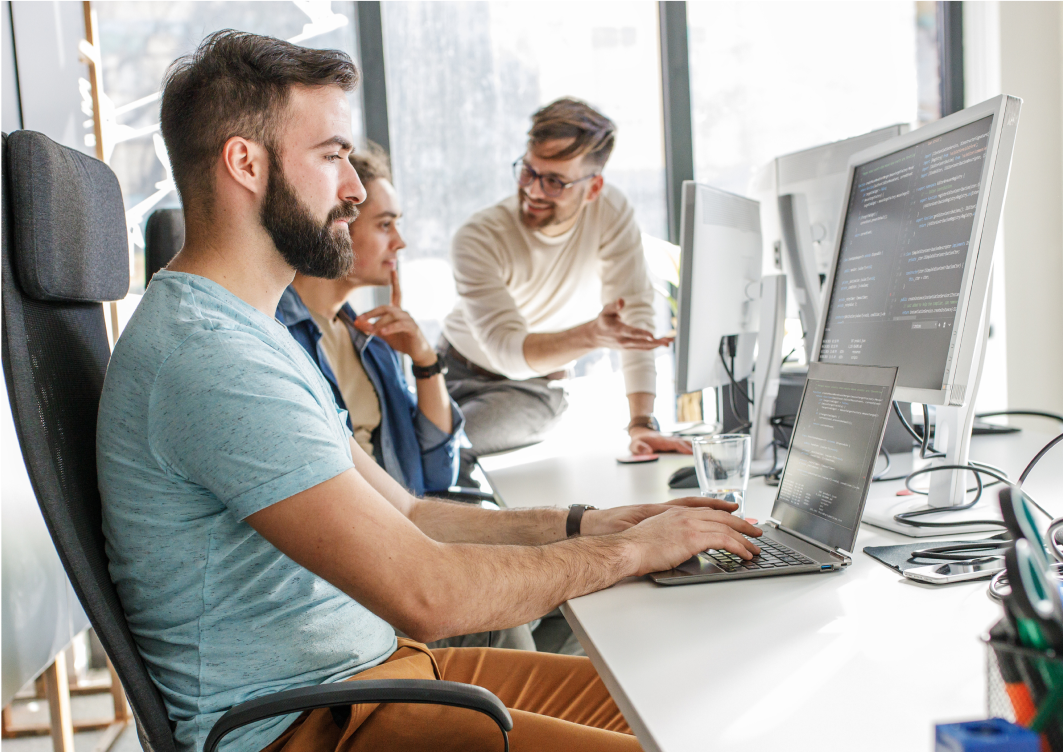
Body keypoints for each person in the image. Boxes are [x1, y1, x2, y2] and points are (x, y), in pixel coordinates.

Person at [97, 31, 761, 752]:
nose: (352, 190)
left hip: (374, 678)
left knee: (688, 705)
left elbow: (411, 513)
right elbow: (430, 595)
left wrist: (597, 524)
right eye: (330, 156)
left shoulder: (253, 336)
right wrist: (635, 554)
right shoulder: (210, 357)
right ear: (245, 163)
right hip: (309, 726)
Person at [439, 98, 688, 477]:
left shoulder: (610, 211)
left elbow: (633, 316)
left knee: (440, 449)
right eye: (528, 172)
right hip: (448, 368)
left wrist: (641, 421)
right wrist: (593, 336)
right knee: (396, 446)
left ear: (593, 188)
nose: (534, 192)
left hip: (533, 389)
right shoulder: (479, 236)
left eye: (555, 181)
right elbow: (505, 349)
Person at [276, 143, 466, 496]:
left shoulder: (372, 340)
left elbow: (440, 473)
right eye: (385, 225)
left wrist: (425, 361)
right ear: (340, 223)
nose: (400, 242)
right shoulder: (277, 335)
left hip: (405, 525)